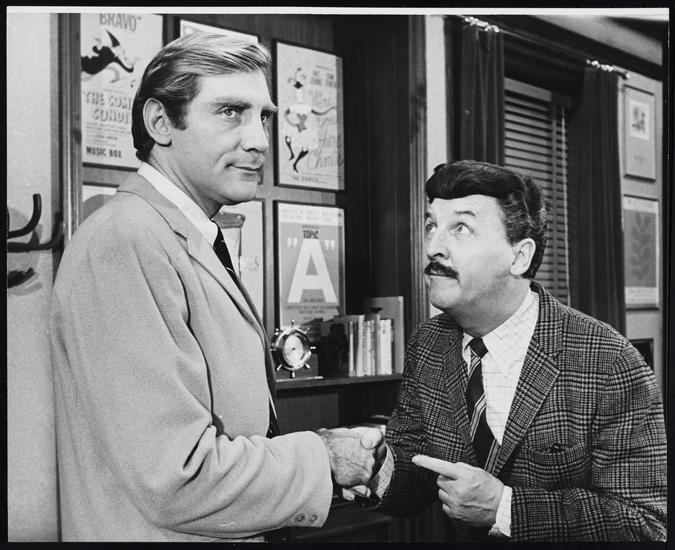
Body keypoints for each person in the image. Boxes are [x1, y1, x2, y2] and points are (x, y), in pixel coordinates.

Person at [50, 33, 382, 542]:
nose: (260, 141)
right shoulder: (125, 240)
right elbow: (175, 478)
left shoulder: (179, 234)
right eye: (231, 112)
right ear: (160, 122)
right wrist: (324, 458)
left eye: (264, 116)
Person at [356, 160, 666, 541]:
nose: (433, 247)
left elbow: (646, 523)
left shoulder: (609, 362)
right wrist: (373, 466)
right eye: (431, 225)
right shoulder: (428, 345)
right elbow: (417, 470)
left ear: (519, 257)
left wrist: (505, 508)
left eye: (461, 228)